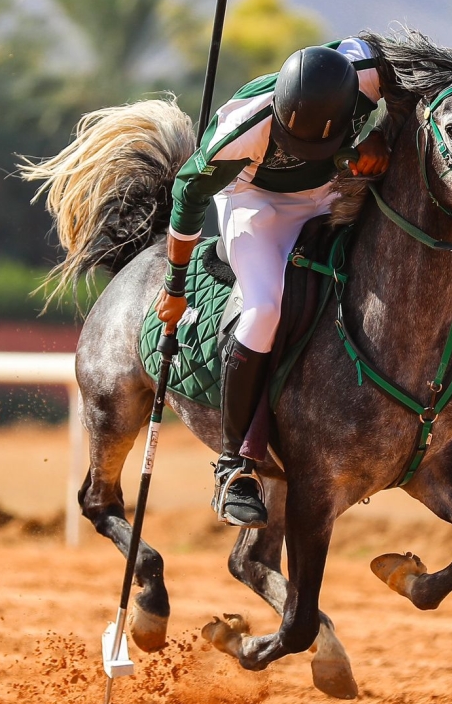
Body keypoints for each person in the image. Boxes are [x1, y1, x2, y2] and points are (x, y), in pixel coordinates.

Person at [155, 38, 390, 527]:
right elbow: (186, 195)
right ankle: (234, 465)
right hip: (255, 205)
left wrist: (383, 137)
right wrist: (174, 288)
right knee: (264, 308)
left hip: (331, 192)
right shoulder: (241, 129)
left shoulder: (368, 68)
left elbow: (419, 96)